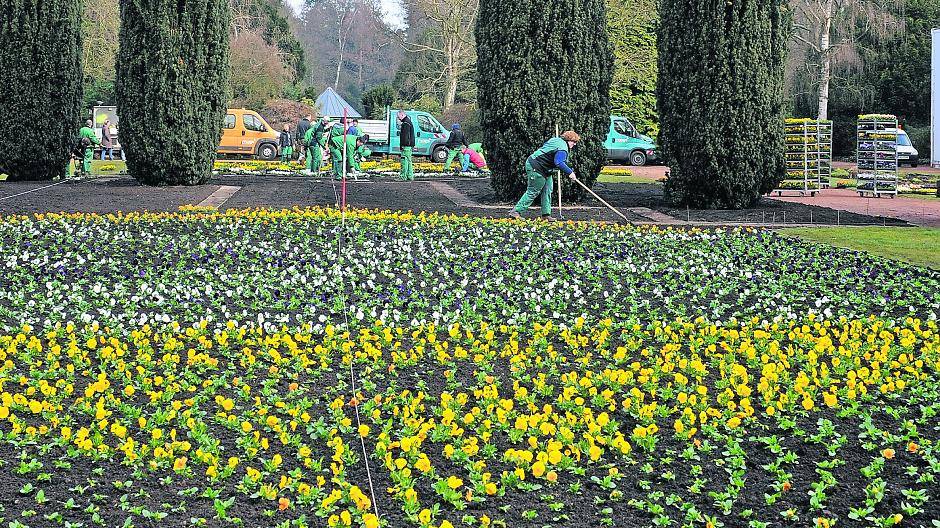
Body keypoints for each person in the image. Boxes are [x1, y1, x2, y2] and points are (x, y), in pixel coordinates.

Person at [510, 130, 580, 220]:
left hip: (546, 169)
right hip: (536, 167)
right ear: (568, 140)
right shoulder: (563, 148)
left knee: (547, 190)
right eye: (573, 142)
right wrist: (570, 172)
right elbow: (559, 162)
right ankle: (516, 211)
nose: (574, 144)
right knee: (533, 190)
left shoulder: (556, 140)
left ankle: (546, 215)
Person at [398, 111, 415, 181]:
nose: (398, 118)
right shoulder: (408, 122)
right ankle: (410, 176)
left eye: (398, 116)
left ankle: (403, 177)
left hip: (406, 145)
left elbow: (405, 136)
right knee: (409, 161)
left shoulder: (405, 123)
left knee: (404, 161)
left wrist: (403, 145)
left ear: (402, 115)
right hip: (409, 145)